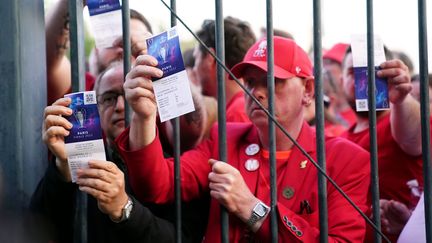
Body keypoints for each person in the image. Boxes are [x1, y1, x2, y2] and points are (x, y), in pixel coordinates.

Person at [116, 36, 371, 242]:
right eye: (249, 82)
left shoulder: (346, 159)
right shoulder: (225, 138)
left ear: (308, 91)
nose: (256, 92)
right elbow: (156, 185)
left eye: (272, 81)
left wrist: (253, 210)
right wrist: (144, 116)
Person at [31, 62, 208, 243]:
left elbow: (185, 238)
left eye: (131, 95)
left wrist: (124, 208)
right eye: (109, 98)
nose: (120, 106)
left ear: (154, 105)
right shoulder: (83, 161)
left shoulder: (175, 166)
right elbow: (37, 226)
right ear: (96, 108)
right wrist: (62, 168)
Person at [340, 46, 424, 241]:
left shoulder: (399, 121)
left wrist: (401, 98)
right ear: (341, 80)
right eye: (353, 72)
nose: (363, 79)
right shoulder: (338, 139)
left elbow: (415, 138)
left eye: (374, 72)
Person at [45, 0, 152, 104]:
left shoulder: (159, 94)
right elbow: (47, 58)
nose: (122, 49)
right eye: (113, 41)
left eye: (134, 44)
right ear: (96, 50)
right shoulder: (82, 85)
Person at [193, 17, 256, 123]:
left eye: (196, 59)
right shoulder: (241, 107)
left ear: (210, 58)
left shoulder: (237, 113)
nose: (195, 69)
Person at [323, 43, 356, 127]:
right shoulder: (316, 108)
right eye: (323, 62)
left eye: (329, 62)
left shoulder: (363, 113)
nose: (324, 68)